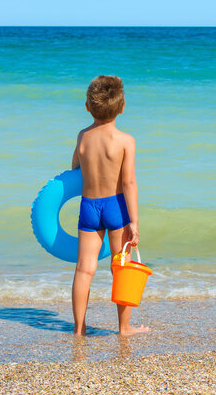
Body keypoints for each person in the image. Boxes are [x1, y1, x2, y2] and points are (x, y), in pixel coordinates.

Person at [71, 74, 149, 336]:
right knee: (122, 268)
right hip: (116, 207)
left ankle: (79, 328)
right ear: (122, 108)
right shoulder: (126, 140)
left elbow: (74, 170)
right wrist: (134, 222)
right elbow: (128, 183)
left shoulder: (82, 136)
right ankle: (124, 328)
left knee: (84, 268)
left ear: (87, 107)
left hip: (89, 207)